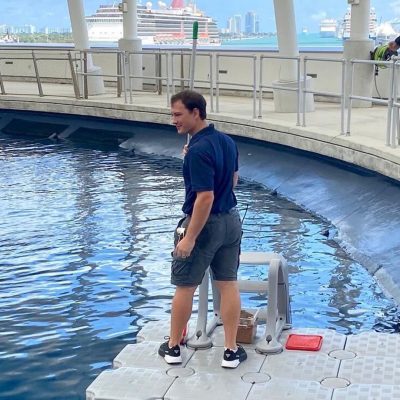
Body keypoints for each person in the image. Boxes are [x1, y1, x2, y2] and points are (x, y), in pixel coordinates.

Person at [158, 90, 247, 369]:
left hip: (203, 225)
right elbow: (233, 180)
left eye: (178, 114)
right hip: (231, 221)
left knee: (185, 286)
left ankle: (173, 347)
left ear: (196, 112)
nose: (174, 120)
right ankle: (231, 350)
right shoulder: (228, 142)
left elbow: (204, 197)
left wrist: (190, 237)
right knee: (228, 283)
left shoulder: (197, 150)